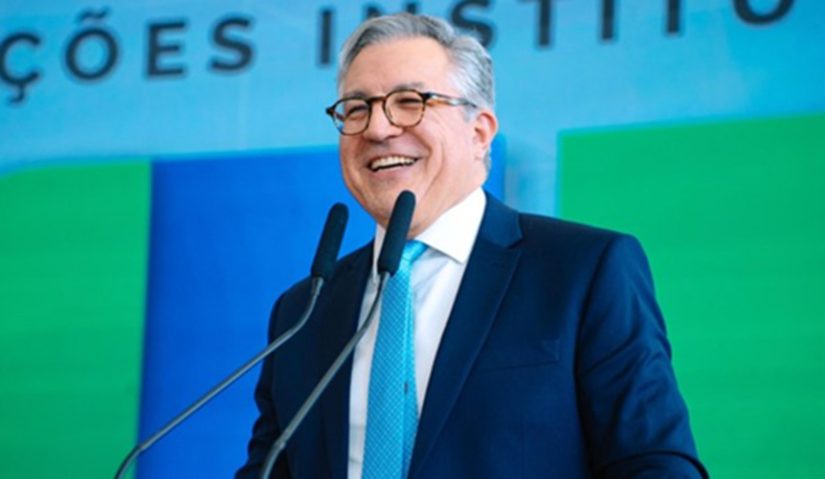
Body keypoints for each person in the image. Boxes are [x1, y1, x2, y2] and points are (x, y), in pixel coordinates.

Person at [237, 13, 707, 479]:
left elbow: (655, 466)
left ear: (479, 132)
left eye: (409, 101)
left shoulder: (583, 272)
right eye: (357, 108)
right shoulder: (303, 313)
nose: (377, 129)